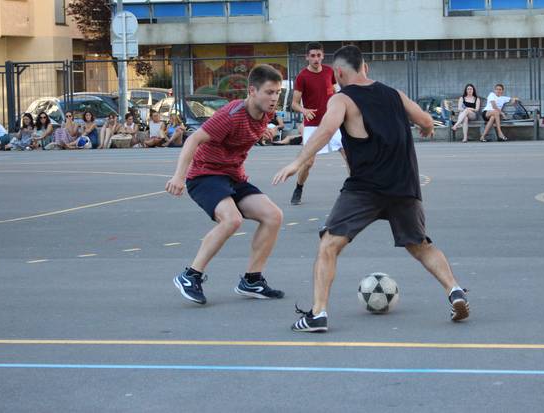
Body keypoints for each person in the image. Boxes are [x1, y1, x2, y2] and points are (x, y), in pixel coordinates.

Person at [273, 45, 470, 333]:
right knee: (420, 245)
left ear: (338, 73)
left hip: (365, 187)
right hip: (404, 184)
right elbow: (426, 121)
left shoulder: (342, 99)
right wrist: (426, 128)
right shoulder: (394, 93)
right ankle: (455, 291)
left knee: (329, 244)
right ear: (365, 68)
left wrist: (298, 162)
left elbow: (326, 130)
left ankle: (318, 314)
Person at [165, 64, 285, 306]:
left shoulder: (266, 113)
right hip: (204, 175)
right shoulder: (231, 115)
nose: (274, 98)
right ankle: (190, 276)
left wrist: (263, 132)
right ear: (252, 91)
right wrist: (178, 176)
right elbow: (193, 140)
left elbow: (250, 130)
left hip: (233, 176)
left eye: (278, 93)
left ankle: (252, 280)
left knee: (274, 216)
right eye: (269, 92)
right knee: (232, 219)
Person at [289, 41, 345, 205]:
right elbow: (294, 103)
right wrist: (304, 111)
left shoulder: (329, 72)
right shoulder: (302, 77)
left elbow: (337, 90)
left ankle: (356, 192)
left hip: (332, 122)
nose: (316, 59)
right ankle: (299, 187)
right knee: (308, 163)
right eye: (312, 56)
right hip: (313, 125)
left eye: (318, 55)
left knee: (349, 155)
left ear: (322, 56)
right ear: (307, 57)